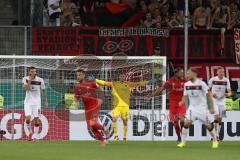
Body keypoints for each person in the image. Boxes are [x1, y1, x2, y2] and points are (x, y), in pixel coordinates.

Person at [93, 73, 151, 141]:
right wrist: (96, 80)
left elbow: (139, 83)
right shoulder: (114, 84)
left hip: (125, 106)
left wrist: (149, 82)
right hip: (116, 106)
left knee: (125, 121)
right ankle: (116, 136)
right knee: (114, 119)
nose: (122, 77)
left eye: (123, 76)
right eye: (121, 76)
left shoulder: (129, 84)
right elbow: (104, 83)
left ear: (125, 77)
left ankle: (125, 137)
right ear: (119, 77)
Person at [178, 67, 218, 149]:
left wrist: (212, 106)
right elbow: (185, 96)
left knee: (209, 126)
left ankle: (215, 140)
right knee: (186, 123)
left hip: (202, 109)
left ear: (194, 74)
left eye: (189, 73)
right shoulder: (186, 84)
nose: (187, 75)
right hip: (192, 109)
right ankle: (182, 142)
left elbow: (209, 94)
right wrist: (182, 101)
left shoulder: (201, 83)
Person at [150, 67, 187, 142]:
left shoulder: (185, 80)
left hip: (181, 103)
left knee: (182, 120)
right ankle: (179, 136)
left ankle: (183, 136)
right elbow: (162, 88)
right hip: (173, 104)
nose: (182, 74)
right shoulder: (170, 81)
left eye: (183, 72)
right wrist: (151, 95)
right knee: (175, 122)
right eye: (181, 72)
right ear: (176, 73)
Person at [74, 69, 109, 146]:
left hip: (94, 105)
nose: (78, 77)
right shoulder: (77, 87)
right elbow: (76, 98)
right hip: (87, 108)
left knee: (92, 123)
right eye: (77, 75)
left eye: (79, 75)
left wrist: (101, 99)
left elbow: (101, 89)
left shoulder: (91, 83)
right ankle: (104, 141)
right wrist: (76, 103)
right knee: (91, 127)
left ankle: (104, 129)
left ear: (83, 75)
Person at [22, 66, 48, 141]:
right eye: (32, 71)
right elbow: (25, 89)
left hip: (37, 103)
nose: (34, 73)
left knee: (37, 120)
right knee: (28, 119)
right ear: (29, 72)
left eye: (35, 71)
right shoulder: (25, 79)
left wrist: (46, 101)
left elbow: (43, 91)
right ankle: (30, 133)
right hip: (28, 103)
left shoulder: (40, 80)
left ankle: (35, 136)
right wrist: (29, 80)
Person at [208, 66, 231, 141]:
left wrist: (228, 94)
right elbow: (208, 90)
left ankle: (216, 133)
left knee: (220, 119)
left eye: (223, 72)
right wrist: (212, 94)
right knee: (216, 117)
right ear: (217, 72)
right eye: (220, 72)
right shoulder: (213, 79)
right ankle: (216, 136)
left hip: (223, 101)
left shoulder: (226, 80)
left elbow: (229, 91)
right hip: (214, 101)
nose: (222, 73)